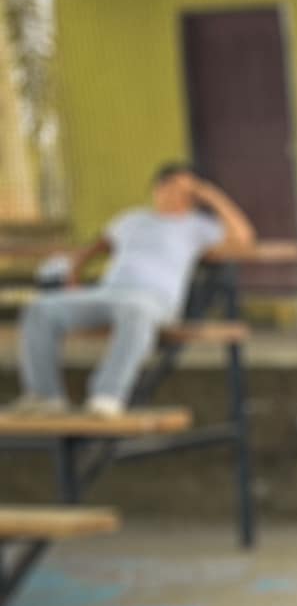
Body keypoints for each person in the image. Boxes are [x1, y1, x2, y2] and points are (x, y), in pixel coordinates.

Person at [9, 162, 255, 417]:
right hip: (108, 292)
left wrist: (211, 195)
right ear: (157, 189)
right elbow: (96, 246)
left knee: (135, 311)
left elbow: (244, 239)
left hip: (154, 299)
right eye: (170, 187)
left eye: (185, 189)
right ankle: (44, 397)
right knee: (40, 308)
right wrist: (73, 274)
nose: (176, 194)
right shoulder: (132, 219)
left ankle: (107, 396)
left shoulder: (197, 226)